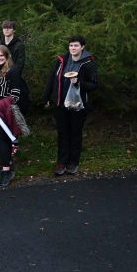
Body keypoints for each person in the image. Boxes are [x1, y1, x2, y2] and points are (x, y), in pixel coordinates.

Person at [42, 35, 98, 177]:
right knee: (63, 134)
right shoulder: (62, 61)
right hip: (61, 103)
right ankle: (62, 162)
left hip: (78, 105)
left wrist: (79, 83)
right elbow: (52, 78)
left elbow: (94, 85)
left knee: (75, 133)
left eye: (76, 46)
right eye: (71, 45)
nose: (73, 48)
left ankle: (73, 162)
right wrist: (46, 96)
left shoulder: (88, 64)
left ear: (82, 47)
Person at [0, 45, 23, 187]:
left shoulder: (12, 72)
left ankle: (6, 171)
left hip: (7, 112)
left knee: (1, 138)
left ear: (7, 56)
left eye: (1, 55)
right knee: (4, 139)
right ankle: (7, 164)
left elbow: (15, 95)